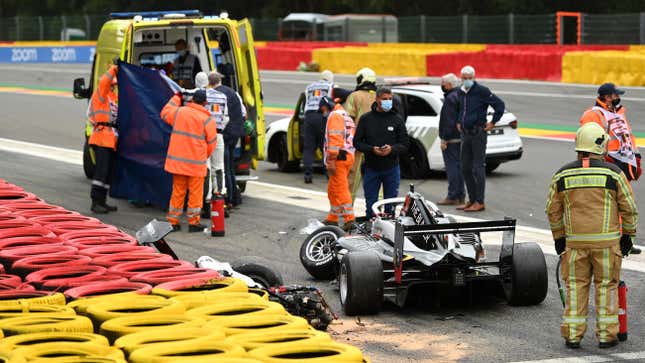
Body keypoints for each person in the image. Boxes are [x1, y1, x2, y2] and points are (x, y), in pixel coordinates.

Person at [546, 122, 638, 349]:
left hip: (575, 244)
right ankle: (607, 336)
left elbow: (552, 210)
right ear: (601, 146)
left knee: (576, 287)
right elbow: (629, 208)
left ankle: (572, 336)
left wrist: (559, 238)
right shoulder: (614, 173)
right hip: (607, 244)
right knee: (606, 286)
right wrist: (628, 236)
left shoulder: (562, 175)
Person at [160, 89, 217, 232]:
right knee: (195, 194)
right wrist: (203, 156)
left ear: (191, 100)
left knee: (178, 191)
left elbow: (165, 112)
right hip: (196, 164)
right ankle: (193, 222)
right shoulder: (207, 119)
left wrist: (176, 97)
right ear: (205, 102)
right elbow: (212, 143)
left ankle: (173, 221)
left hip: (178, 163)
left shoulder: (179, 112)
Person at [353, 87, 409, 219]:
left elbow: (405, 145)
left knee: (390, 205)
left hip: (391, 168)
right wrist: (372, 149)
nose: (388, 102)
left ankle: (389, 232)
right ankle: (371, 231)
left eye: (390, 99)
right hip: (371, 168)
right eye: (384, 99)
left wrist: (392, 149)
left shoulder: (397, 119)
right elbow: (357, 142)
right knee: (371, 204)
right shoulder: (366, 119)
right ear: (377, 99)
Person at [457, 65, 505, 212]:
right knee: (465, 167)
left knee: (478, 168)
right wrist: (459, 121)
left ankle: (479, 201)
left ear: (474, 78)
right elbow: (462, 110)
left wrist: (493, 122)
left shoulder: (481, 91)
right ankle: (471, 199)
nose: (466, 81)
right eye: (464, 78)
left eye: (469, 78)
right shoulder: (461, 92)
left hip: (478, 133)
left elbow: (500, 105)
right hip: (465, 134)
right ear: (461, 78)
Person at [580, 83, 641, 182]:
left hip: (625, 162)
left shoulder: (619, 113)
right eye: (616, 95)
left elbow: (628, 136)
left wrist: (636, 156)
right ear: (607, 97)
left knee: (624, 195)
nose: (618, 97)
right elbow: (587, 142)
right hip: (606, 163)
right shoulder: (591, 115)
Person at [207, 71, 246, 210]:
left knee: (223, 168)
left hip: (225, 134)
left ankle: (228, 198)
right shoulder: (234, 93)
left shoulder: (215, 96)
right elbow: (244, 114)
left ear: (210, 83)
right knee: (229, 167)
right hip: (236, 133)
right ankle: (234, 197)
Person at [320, 96, 356, 231]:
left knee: (340, 189)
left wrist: (331, 160)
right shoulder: (345, 115)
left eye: (323, 109)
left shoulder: (335, 116)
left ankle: (349, 219)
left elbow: (335, 140)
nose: (323, 112)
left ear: (327, 106)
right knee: (333, 189)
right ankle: (332, 218)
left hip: (339, 158)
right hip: (348, 156)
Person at [88, 63, 119, 214]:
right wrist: (114, 68)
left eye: (114, 85)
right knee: (101, 172)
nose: (112, 87)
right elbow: (103, 82)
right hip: (101, 137)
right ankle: (95, 202)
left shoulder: (114, 98)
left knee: (108, 173)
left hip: (111, 139)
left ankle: (103, 201)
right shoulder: (101, 94)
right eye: (112, 85)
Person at [345, 67, 378, 200]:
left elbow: (347, 119)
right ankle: (379, 211)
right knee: (377, 178)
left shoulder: (355, 96)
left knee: (352, 178)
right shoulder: (380, 96)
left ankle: (347, 208)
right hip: (377, 144)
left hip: (358, 144)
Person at [437, 73, 465, 206]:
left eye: (443, 83)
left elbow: (448, 121)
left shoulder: (450, 98)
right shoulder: (461, 95)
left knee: (452, 168)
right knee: (459, 168)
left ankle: (453, 195)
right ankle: (460, 195)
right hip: (462, 138)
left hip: (452, 139)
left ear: (448, 85)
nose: (442, 86)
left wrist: (444, 139)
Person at [204, 73, 229, 216]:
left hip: (204, 136)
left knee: (206, 167)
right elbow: (226, 117)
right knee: (219, 167)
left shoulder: (203, 95)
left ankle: (207, 200)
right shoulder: (222, 97)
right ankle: (219, 196)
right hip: (218, 134)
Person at [303, 70, 334, 184]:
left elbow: (304, 104)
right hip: (322, 117)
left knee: (308, 148)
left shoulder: (309, 87)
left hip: (309, 117)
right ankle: (327, 173)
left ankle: (307, 175)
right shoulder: (331, 86)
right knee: (324, 146)